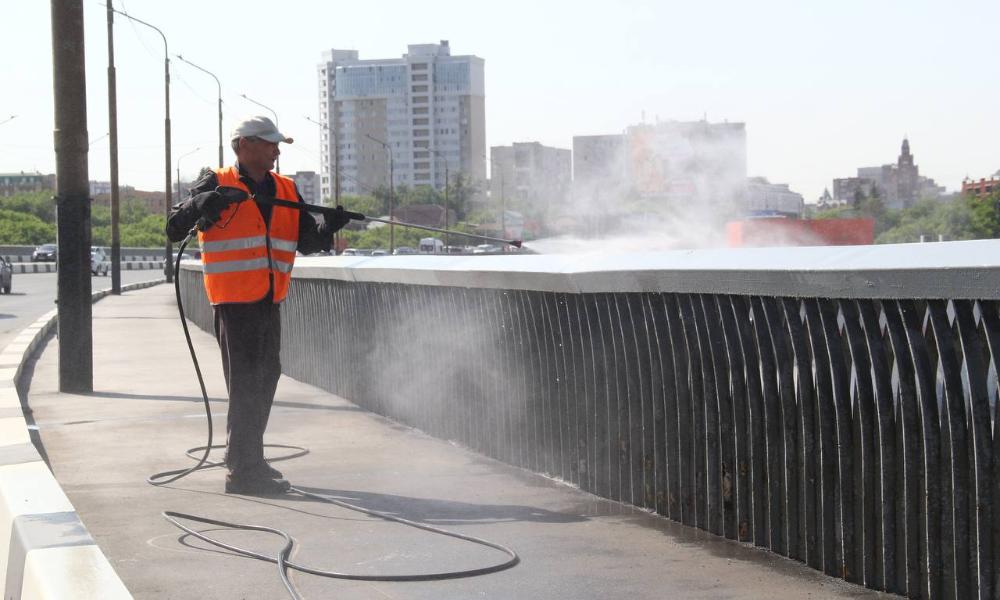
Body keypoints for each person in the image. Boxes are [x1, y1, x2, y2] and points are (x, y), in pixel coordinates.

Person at [166, 116, 350, 495]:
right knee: (247, 382)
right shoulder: (216, 181)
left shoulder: (285, 188)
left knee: (266, 376)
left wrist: (328, 228)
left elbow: (306, 242)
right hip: (234, 300)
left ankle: (249, 460)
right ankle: (243, 471)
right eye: (269, 143)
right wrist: (199, 203)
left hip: (269, 298)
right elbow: (173, 228)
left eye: (277, 144)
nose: (276, 151)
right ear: (244, 145)